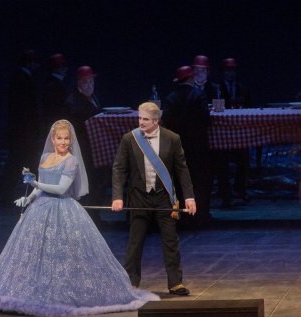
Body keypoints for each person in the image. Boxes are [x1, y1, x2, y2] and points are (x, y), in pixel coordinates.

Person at [0, 120, 159, 316]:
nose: (63, 142)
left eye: (67, 138)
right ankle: (29, 294)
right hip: (39, 210)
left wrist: (36, 184)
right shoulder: (45, 158)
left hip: (64, 209)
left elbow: (60, 189)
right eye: (60, 138)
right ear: (53, 139)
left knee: (66, 256)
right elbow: (40, 189)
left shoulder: (71, 161)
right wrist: (28, 198)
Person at [111, 102, 197, 296]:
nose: (141, 122)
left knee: (170, 240)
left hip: (163, 197)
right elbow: (119, 169)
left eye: (146, 119)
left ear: (156, 120)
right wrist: (117, 196)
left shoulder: (172, 138)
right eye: (139, 118)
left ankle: (175, 283)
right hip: (139, 197)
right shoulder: (129, 139)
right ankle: (131, 282)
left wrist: (189, 197)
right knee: (135, 241)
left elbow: (182, 170)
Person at [164, 66, 212, 226]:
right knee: (198, 180)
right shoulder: (199, 95)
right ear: (191, 79)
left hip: (178, 146)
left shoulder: (171, 97)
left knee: (179, 180)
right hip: (197, 146)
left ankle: (181, 215)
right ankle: (199, 215)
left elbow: (166, 121)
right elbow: (206, 119)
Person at [62, 66, 106, 213]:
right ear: (79, 83)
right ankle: (88, 217)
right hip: (83, 148)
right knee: (87, 184)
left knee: (97, 182)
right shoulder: (73, 102)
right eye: (86, 82)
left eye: (92, 82)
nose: (90, 86)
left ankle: (95, 216)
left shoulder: (93, 97)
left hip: (95, 148)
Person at [3, 49, 41, 204]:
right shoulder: (22, 79)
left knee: (19, 162)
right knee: (17, 162)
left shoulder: (22, 78)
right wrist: (32, 130)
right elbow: (25, 109)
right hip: (22, 132)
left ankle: (14, 193)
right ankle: (7, 193)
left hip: (21, 131)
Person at [215, 57, 252, 207]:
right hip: (221, 132)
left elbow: (250, 107)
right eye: (227, 71)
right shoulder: (216, 88)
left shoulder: (243, 88)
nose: (230, 73)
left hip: (239, 131)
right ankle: (225, 194)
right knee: (222, 162)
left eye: (233, 70)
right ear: (223, 72)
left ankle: (240, 189)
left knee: (243, 159)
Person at [41, 53, 68, 137]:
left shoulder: (52, 82)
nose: (66, 69)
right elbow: (55, 109)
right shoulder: (53, 85)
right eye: (63, 66)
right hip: (56, 126)